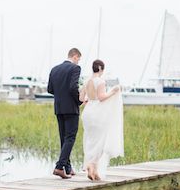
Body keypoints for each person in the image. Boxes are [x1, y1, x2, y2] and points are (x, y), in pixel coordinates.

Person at [79, 59, 124, 181]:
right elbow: (101, 97)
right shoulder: (100, 81)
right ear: (100, 68)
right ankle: (91, 165)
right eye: (103, 69)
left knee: (90, 140)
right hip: (97, 114)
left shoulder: (86, 81)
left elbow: (81, 98)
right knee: (100, 141)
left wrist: (89, 100)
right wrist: (113, 92)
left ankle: (93, 170)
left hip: (87, 113)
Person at [47, 48, 83, 179]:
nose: (78, 62)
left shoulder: (54, 69)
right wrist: (79, 101)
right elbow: (73, 87)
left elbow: (50, 89)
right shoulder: (75, 68)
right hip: (71, 108)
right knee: (70, 137)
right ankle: (59, 167)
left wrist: (61, 95)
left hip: (59, 107)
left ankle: (68, 168)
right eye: (78, 59)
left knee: (64, 138)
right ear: (74, 56)